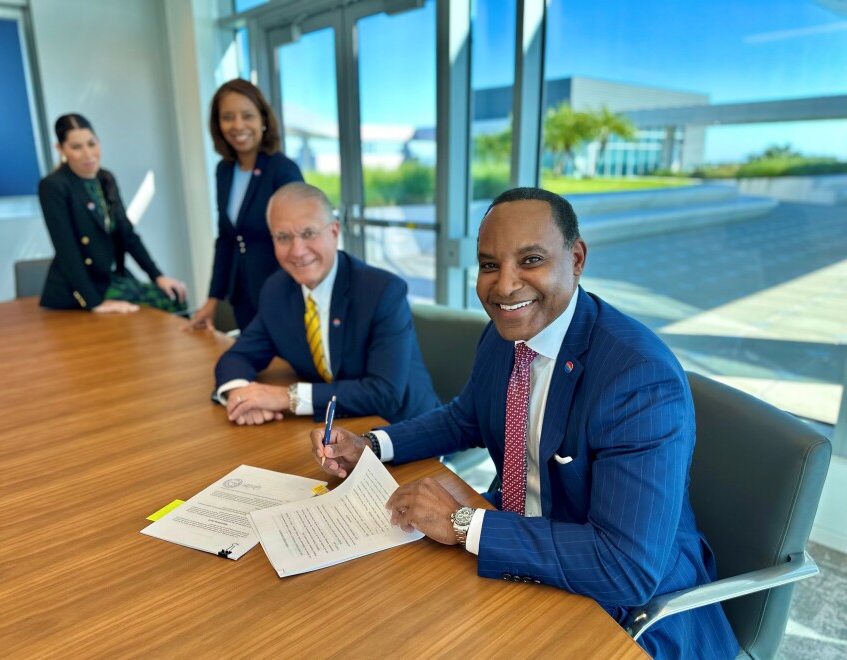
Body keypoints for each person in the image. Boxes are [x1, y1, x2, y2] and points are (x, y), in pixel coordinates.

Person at [311, 187, 740, 658]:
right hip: (520, 549)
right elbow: (465, 418)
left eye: (531, 260)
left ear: (575, 259)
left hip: (624, 610)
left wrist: (462, 523)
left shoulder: (638, 377)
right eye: (490, 264)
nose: (504, 286)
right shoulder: (505, 335)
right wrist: (372, 445)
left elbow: (626, 568)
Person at [214, 182, 440, 425]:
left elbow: (384, 394)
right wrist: (241, 396)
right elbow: (238, 356)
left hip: (405, 431)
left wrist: (287, 397)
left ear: (334, 232)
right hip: (336, 431)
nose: (298, 251)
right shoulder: (276, 290)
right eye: (283, 237)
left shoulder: (382, 291)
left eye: (309, 233)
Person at [185, 79, 304, 332]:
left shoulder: (282, 170)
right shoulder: (225, 171)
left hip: (283, 295)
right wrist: (211, 301)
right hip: (242, 296)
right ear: (218, 124)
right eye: (228, 117)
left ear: (262, 119)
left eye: (247, 115)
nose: (237, 125)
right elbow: (227, 239)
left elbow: (299, 238)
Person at [38, 114, 187, 314]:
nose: (88, 154)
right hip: (78, 290)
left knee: (173, 297)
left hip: (108, 277)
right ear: (61, 149)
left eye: (92, 143)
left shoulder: (105, 179)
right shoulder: (54, 186)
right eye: (76, 147)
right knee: (147, 313)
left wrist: (158, 276)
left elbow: (127, 234)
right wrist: (93, 304)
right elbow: (67, 251)